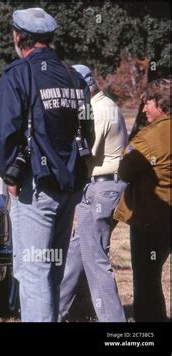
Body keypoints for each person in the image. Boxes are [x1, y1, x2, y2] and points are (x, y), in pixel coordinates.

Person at [0, 7, 94, 322]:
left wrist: (10, 173)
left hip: (35, 185)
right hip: (70, 184)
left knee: (32, 271)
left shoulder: (18, 73)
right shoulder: (75, 76)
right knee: (52, 268)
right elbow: (87, 129)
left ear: (17, 36)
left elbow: (3, 129)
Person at [58, 64, 128, 322]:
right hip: (102, 186)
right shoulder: (105, 105)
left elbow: (85, 155)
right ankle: (54, 312)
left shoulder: (98, 110)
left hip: (100, 187)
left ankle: (113, 322)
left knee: (95, 260)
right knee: (76, 253)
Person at [114, 78, 171, 322]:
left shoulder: (148, 137)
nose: (144, 109)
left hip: (151, 219)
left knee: (147, 281)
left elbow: (125, 170)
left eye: (147, 102)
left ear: (161, 103)